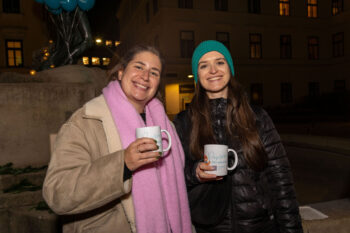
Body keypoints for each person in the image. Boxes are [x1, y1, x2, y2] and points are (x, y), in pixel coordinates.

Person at [43, 45, 192, 233]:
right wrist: (122, 165)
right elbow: (57, 193)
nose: (145, 76)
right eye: (138, 67)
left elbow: (178, 193)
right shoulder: (86, 121)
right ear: (121, 72)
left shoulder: (166, 126)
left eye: (154, 72)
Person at [173, 40, 303, 233]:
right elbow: (172, 178)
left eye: (220, 62)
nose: (213, 70)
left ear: (230, 68)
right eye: (203, 65)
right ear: (197, 75)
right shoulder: (185, 122)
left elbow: (281, 181)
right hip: (210, 228)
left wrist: (291, 229)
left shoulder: (257, 117)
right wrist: (195, 174)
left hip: (261, 228)